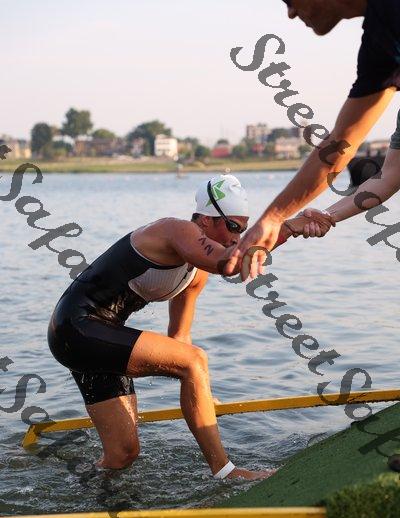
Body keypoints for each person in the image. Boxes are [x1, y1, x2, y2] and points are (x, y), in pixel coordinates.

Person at [47, 174, 322, 481]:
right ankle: (225, 471)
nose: (236, 239)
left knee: (123, 454)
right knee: (195, 360)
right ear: (205, 219)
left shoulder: (196, 273)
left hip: (97, 339)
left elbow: (179, 336)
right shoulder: (175, 230)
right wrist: (289, 228)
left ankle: (81, 488)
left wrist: (200, 389)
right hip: (75, 328)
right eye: (232, 227)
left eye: (242, 231)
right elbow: (229, 263)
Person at [225, 0, 400, 278]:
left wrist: (274, 217)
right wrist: (308, 218)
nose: (291, 13)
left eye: (289, 0)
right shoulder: (381, 45)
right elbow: (388, 174)